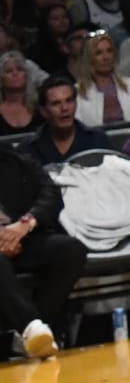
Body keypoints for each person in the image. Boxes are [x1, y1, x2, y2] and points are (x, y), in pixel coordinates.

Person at [0, 141, 88, 359]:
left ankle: (33, 331)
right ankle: (31, 326)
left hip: (22, 235)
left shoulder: (15, 157)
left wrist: (26, 224)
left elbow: (51, 193)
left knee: (71, 250)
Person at [23, 76, 111, 166]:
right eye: (56, 103)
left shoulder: (97, 140)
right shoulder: (29, 149)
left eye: (69, 101)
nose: (64, 108)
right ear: (43, 111)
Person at [72, 31, 130, 128]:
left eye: (109, 51)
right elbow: (79, 127)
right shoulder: (77, 91)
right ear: (89, 58)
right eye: (98, 53)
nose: (106, 57)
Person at [0, 52, 41, 137]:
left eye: (19, 69)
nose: (15, 73)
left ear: (26, 75)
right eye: (9, 71)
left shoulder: (40, 107)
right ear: (1, 79)